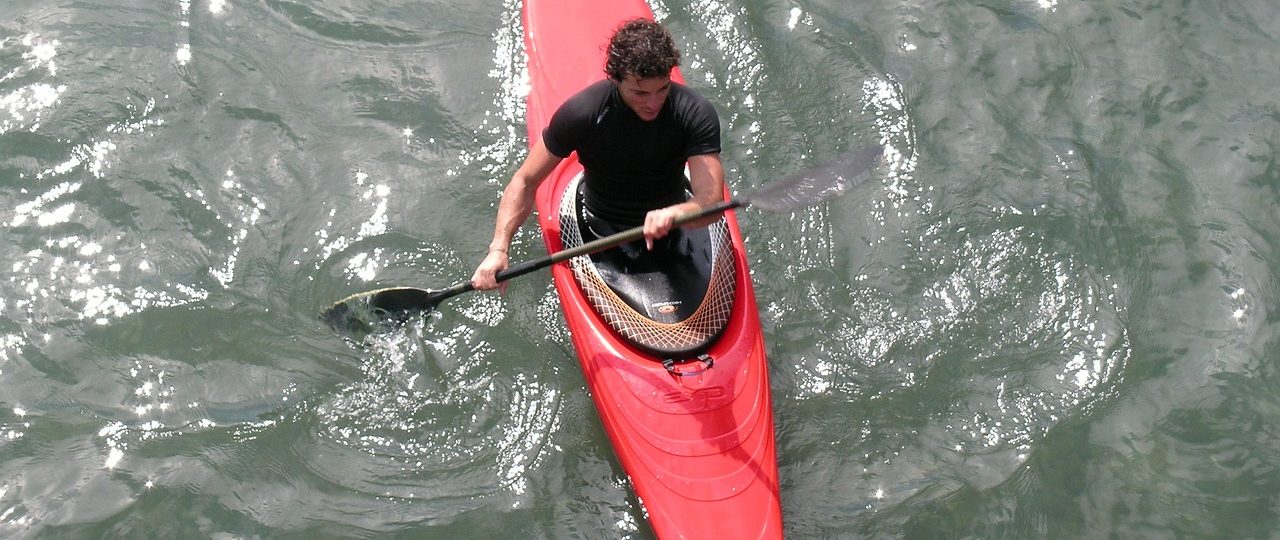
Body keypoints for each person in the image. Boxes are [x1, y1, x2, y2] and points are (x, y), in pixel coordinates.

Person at [470, 18, 725, 291]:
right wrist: (499, 248)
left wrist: (677, 213)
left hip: (674, 228)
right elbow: (525, 180)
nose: (653, 103)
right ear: (616, 79)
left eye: (662, 89)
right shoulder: (584, 113)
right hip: (600, 227)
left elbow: (710, 201)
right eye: (639, 92)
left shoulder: (695, 113)